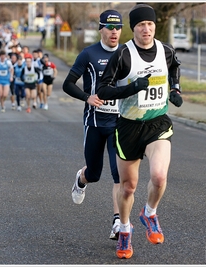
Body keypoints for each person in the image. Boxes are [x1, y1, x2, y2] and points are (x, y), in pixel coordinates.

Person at [96, 4, 183, 259]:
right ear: (133, 29)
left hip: (157, 122)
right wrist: (132, 88)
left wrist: (175, 90)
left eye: (150, 25)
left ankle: (150, 212)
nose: (146, 29)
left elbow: (175, 67)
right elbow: (103, 90)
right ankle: (124, 230)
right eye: (141, 25)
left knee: (158, 176)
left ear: (155, 26)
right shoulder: (123, 54)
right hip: (128, 126)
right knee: (128, 187)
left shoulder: (165, 50)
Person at [62, 9, 123, 241]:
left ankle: (117, 222)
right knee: (95, 173)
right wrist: (87, 97)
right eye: (109, 27)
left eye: (118, 28)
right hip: (95, 123)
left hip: (119, 123)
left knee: (120, 175)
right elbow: (67, 84)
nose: (114, 32)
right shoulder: (89, 54)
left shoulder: (128, 53)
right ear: (101, 29)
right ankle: (81, 179)